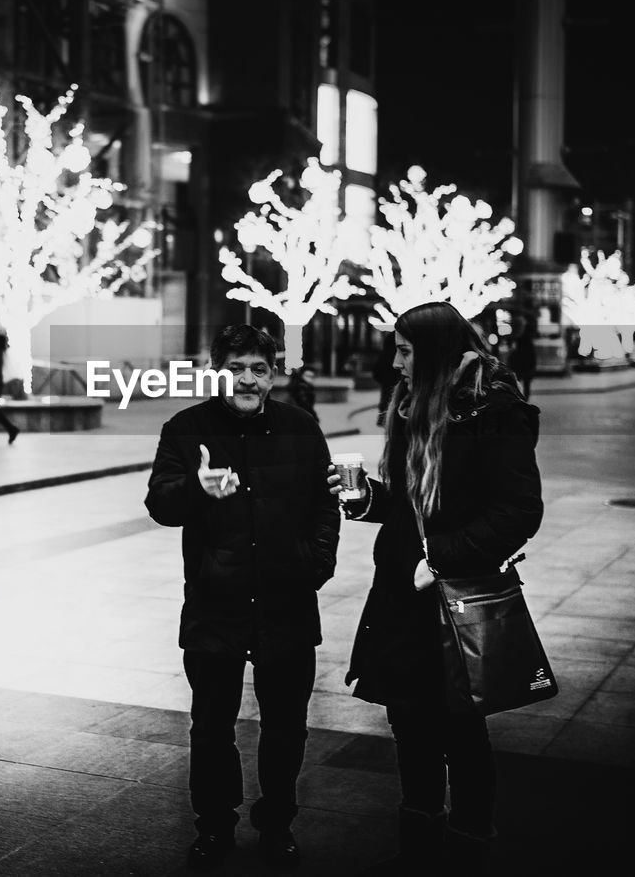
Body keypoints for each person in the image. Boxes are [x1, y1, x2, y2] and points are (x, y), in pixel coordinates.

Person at [328, 302, 543, 874]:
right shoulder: (412, 407)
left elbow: (519, 510)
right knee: (409, 722)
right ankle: (419, 845)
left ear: (436, 352)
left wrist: (439, 558)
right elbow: (405, 502)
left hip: (450, 598)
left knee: (460, 730)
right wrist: (366, 499)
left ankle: (470, 844)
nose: (393, 362)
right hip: (402, 596)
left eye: (403, 350)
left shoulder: (493, 410)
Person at [145, 324, 340, 871]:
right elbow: (161, 504)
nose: (248, 379)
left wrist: (315, 563)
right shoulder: (186, 429)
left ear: (273, 373)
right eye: (237, 368)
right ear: (216, 371)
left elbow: (325, 506)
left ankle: (277, 822)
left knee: (285, 725)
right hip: (216, 604)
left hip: (286, 602)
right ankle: (214, 826)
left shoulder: (301, 428)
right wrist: (195, 489)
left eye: (259, 368)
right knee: (211, 727)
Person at [372, 331, 399, 426]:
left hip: (386, 393)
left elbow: (376, 374)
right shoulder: (400, 357)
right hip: (398, 396)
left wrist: (385, 381)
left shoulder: (384, 356)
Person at [507, 325, 537, 401]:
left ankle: (518, 398)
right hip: (527, 366)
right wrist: (533, 367)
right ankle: (525, 399)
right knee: (526, 385)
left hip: (519, 366)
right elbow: (533, 356)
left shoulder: (518, 341)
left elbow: (513, 354)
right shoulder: (529, 343)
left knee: (517, 383)